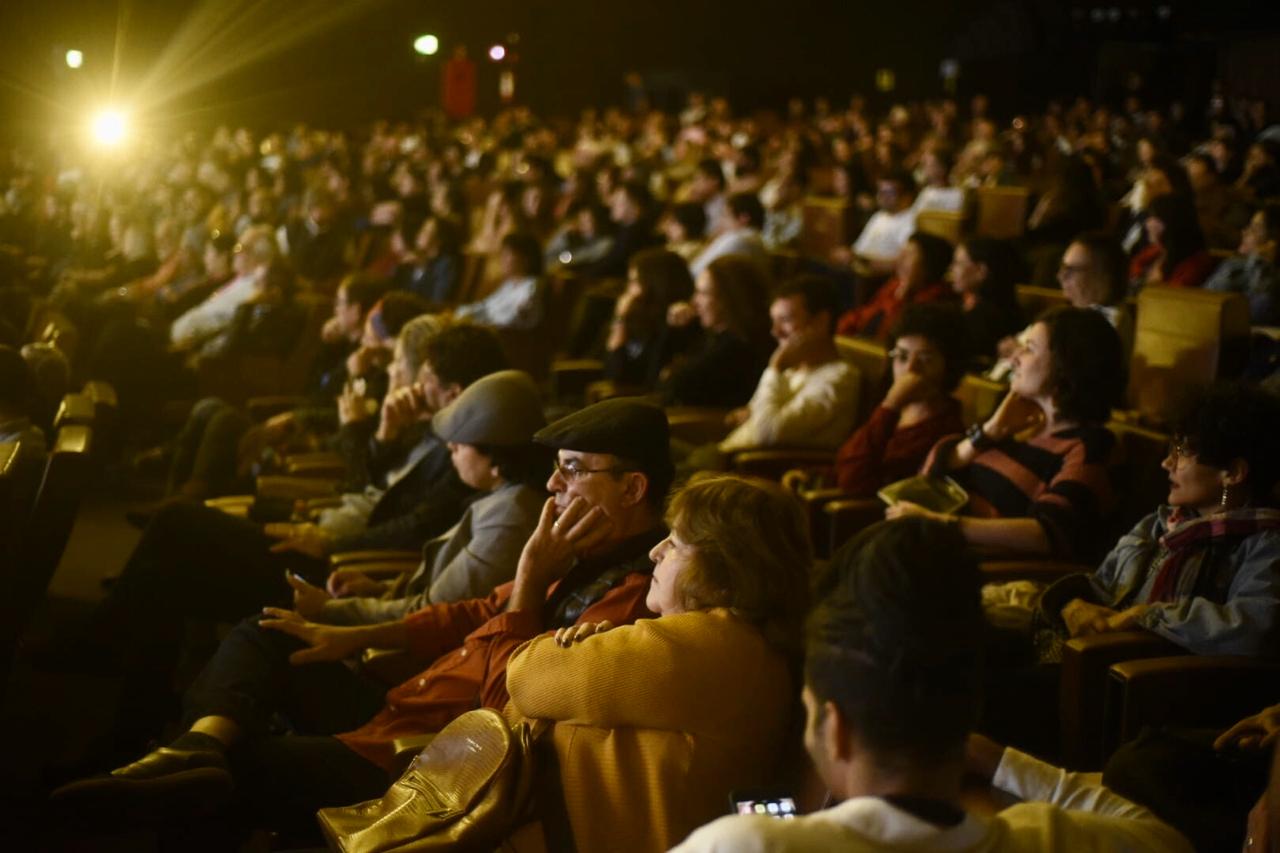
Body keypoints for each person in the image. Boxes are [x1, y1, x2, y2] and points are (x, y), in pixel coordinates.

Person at [52, 399, 676, 843]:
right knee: (270, 631)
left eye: (572, 468)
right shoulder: (580, 553)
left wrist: (533, 579)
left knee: (235, 777)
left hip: (427, 761)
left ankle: (195, 763)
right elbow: (472, 612)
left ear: (631, 488)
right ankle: (198, 745)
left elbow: (507, 717)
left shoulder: (631, 597)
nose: (551, 485)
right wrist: (349, 635)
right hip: (406, 698)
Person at [671, 518, 1192, 852]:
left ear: (836, 730)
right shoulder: (1057, 836)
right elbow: (1159, 835)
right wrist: (1006, 763)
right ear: (965, 719)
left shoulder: (746, 845)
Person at [506, 473, 811, 852]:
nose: (655, 551)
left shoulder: (706, 647)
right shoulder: (742, 645)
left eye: (676, 543)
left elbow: (524, 676)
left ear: (723, 574)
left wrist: (562, 656)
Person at [1039, 382, 1280, 657]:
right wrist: (1073, 603)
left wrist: (1145, 616)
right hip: (1089, 658)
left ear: (1233, 473)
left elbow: (1254, 628)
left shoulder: (1264, 544)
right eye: (1171, 450)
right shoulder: (1159, 524)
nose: (1167, 463)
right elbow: (1101, 587)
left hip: (1149, 684)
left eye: (1184, 453)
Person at [294, 369, 551, 622]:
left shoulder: (509, 518)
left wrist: (330, 609)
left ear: (497, 461)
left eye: (460, 444)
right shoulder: (503, 499)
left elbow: (432, 615)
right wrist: (382, 589)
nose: (451, 447)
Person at [888, 307, 1124, 562]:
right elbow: (931, 472)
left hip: (978, 570)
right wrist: (988, 432)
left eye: (1029, 348)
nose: (1014, 358)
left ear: (1068, 364)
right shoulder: (1016, 422)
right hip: (932, 550)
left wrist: (942, 524)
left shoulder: (1090, 445)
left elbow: (1048, 534)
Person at [833, 306, 966, 497]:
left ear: (949, 366)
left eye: (925, 359)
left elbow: (853, 480)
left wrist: (890, 405)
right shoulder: (895, 409)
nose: (910, 369)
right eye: (902, 357)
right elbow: (845, 460)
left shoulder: (944, 429)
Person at [719, 275, 860, 453]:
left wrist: (775, 367)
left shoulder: (839, 379)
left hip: (744, 470)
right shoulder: (795, 366)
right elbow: (755, 413)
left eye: (785, 320)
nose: (775, 331)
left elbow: (767, 432)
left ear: (821, 321)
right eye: (774, 321)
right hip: (721, 451)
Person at [660, 254, 772, 408]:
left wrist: (671, 371)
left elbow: (674, 386)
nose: (694, 301)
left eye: (703, 293)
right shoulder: (713, 335)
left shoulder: (737, 346)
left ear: (729, 299)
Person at [836, 231, 954, 343]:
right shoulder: (895, 284)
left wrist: (901, 298)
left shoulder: (934, 302)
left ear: (928, 267)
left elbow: (890, 336)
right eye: (901, 253)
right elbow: (865, 313)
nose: (899, 260)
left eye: (908, 256)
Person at [603, 247, 694, 389]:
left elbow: (619, 377)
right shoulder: (638, 315)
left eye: (635, 282)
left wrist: (620, 321)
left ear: (656, 283)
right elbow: (606, 370)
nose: (629, 291)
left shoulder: (675, 322)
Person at [948, 237, 1024, 365]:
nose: (951, 269)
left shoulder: (992, 317)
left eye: (958, 263)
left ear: (981, 271)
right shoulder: (962, 304)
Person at [1204, 202, 1280, 325]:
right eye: (1248, 226)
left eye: (1255, 229)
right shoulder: (1235, 264)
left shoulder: (1269, 276)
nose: (1245, 232)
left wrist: (1260, 262)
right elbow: (1205, 299)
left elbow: (1258, 312)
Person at [454, 231, 544, 330]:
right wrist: (463, 313)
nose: (503, 259)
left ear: (526, 259)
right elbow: (487, 306)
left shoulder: (531, 288)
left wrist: (477, 321)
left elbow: (511, 321)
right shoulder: (510, 285)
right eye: (503, 254)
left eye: (508, 254)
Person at [1128, 192, 1215, 291]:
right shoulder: (1159, 249)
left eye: (1155, 218)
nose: (1148, 223)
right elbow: (1134, 265)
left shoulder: (1196, 263)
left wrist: (1151, 282)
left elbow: (1172, 296)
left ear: (1172, 223)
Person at [689, 191, 768, 278]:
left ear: (744, 218)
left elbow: (696, 272)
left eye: (726, 216)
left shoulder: (738, 239)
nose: (721, 222)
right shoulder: (753, 238)